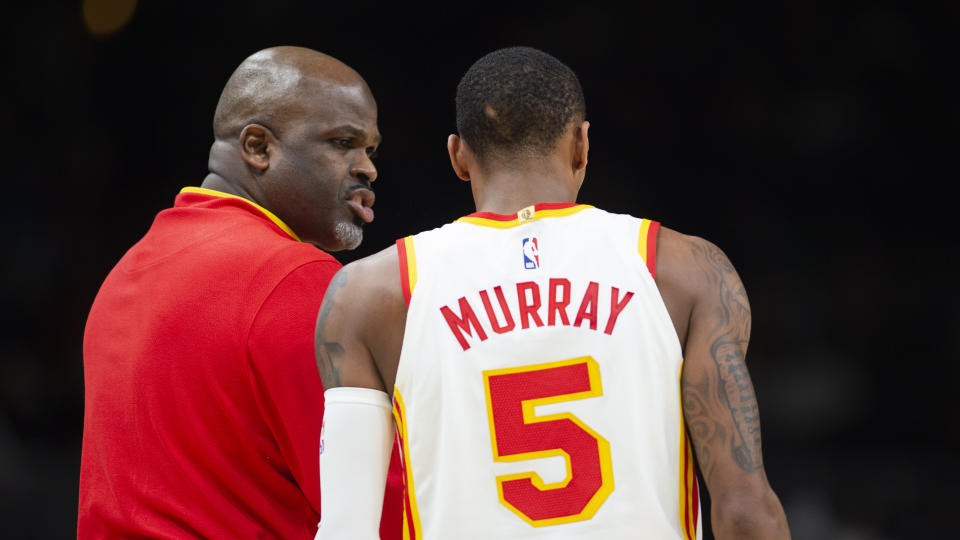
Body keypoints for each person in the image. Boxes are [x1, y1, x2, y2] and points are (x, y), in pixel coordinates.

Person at [313, 46, 791, 539]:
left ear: (458, 156)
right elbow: (746, 514)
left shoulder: (369, 293)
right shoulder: (685, 270)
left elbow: (346, 530)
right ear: (582, 144)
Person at [78, 46, 402, 539]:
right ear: (257, 147)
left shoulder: (126, 272)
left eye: (370, 150)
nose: (367, 168)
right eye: (342, 142)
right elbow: (378, 505)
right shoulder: (293, 278)